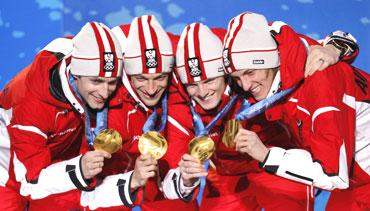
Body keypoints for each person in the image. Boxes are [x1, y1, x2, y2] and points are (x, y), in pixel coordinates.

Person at [224, 12, 370, 210]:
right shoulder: (293, 58)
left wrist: (266, 155)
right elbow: (339, 40)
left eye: (250, 72)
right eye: (237, 78)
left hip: (354, 179)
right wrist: (336, 46)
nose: (246, 84)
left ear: (270, 61)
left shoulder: (320, 83)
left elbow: (333, 175)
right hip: (355, 180)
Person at [0, 22, 123, 210]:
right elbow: (30, 183)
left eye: (112, 82)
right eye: (96, 81)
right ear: (76, 75)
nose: (105, 92)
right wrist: (79, 169)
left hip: (54, 159)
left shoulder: (85, 54)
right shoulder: (30, 104)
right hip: (10, 169)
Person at [88, 15, 199, 210]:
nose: (151, 88)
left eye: (160, 77)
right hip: (114, 153)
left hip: (153, 136)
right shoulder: (99, 85)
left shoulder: (180, 68)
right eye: (141, 78)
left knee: (175, 201)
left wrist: (185, 180)